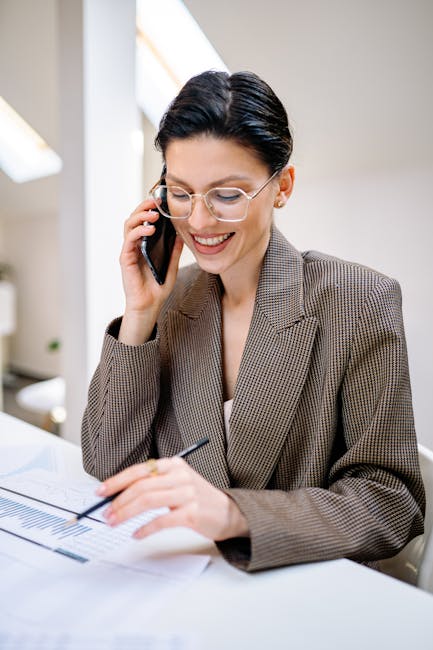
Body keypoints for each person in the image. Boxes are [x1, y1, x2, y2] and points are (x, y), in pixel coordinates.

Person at [81, 70, 425, 572]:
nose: (198, 222)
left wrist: (236, 515)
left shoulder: (359, 301)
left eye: (227, 195)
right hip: (175, 581)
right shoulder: (171, 297)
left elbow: (392, 502)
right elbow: (108, 463)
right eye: (180, 193)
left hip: (294, 593)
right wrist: (139, 315)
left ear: (282, 185)